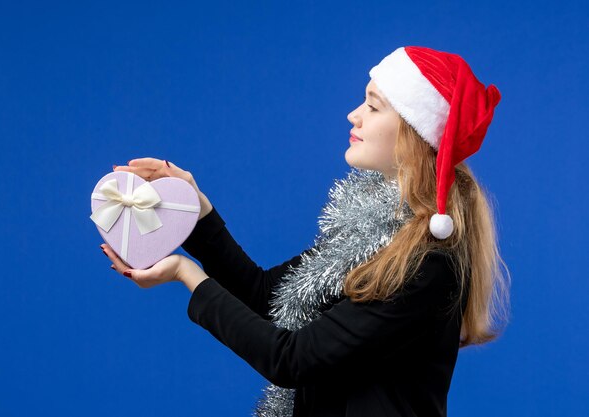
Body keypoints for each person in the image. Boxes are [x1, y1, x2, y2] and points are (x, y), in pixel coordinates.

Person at [100, 45, 511, 417]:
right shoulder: (366, 234)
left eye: (373, 105)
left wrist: (185, 274)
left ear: (414, 133)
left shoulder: (425, 262)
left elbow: (292, 360)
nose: (354, 115)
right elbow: (269, 297)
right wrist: (195, 210)